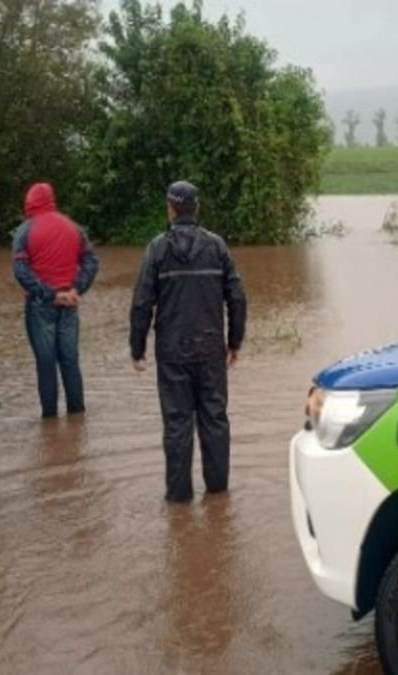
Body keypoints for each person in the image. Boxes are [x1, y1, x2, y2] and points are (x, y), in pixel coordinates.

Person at [129, 181, 247, 503]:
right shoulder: (217, 246)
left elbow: (142, 302)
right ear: (197, 207)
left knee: (178, 423)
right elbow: (237, 297)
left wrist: (136, 349)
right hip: (211, 349)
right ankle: (218, 494)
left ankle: (179, 500)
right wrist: (235, 341)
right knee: (215, 418)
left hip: (172, 351)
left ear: (170, 207)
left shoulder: (157, 248)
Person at [12, 182, 99, 418]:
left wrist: (49, 294)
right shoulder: (73, 227)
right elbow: (92, 261)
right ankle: (77, 416)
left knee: (46, 363)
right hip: (70, 304)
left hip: (41, 305)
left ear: (29, 203)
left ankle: (49, 420)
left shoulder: (25, 230)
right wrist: (77, 289)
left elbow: (20, 271)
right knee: (70, 360)